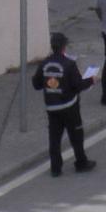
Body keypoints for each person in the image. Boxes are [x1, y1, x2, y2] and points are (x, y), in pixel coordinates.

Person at [32, 32, 97, 177]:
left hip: (52, 107)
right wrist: (91, 80)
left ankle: (56, 168)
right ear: (63, 47)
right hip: (69, 106)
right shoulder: (69, 64)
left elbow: (36, 85)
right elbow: (77, 85)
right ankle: (81, 163)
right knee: (76, 135)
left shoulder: (44, 64)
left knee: (54, 138)